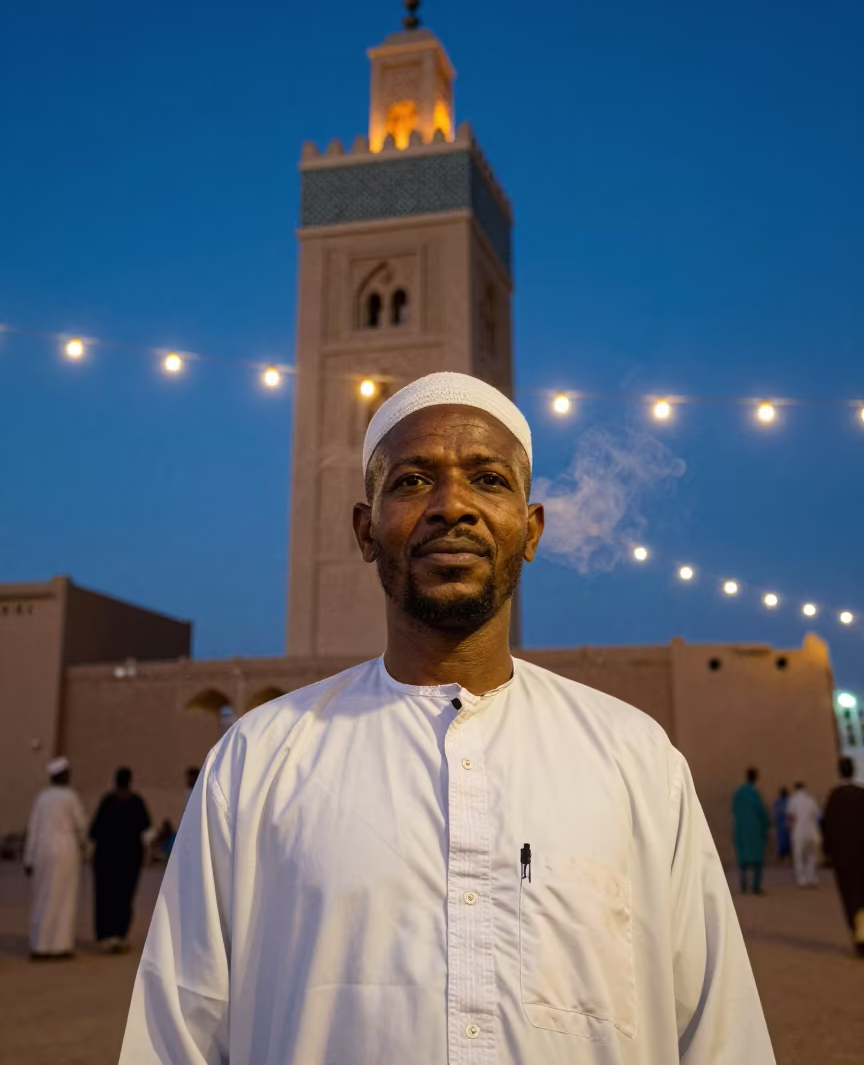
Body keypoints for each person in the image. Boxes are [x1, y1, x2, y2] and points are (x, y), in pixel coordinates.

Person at [120, 372, 775, 1063]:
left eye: (489, 480)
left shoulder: (634, 760)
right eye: (411, 482)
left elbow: (717, 1030)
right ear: (365, 530)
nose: (451, 506)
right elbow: (176, 1035)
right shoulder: (258, 760)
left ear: (531, 529)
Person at [23, 757, 87, 959]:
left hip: (43, 849)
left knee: (43, 896)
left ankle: (40, 946)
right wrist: (86, 844)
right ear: (62, 776)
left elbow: (33, 828)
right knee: (64, 897)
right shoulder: (70, 797)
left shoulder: (42, 798)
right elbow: (81, 825)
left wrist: (28, 858)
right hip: (66, 848)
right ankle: (60, 947)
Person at [89, 767, 151, 953]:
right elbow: (147, 832)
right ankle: (119, 936)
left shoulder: (108, 801)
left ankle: (106, 936)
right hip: (128, 861)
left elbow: (94, 832)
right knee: (124, 898)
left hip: (105, 860)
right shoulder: (136, 802)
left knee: (105, 897)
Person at [821, 756, 864, 956]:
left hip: (843, 858)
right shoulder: (861, 794)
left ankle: (858, 934)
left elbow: (826, 828)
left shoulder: (834, 798)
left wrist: (828, 851)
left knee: (850, 896)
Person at [732, 768, 771, 894]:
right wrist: (767, 824)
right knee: (757, 859)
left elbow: (734, 809)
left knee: (743, 858)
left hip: (741, 828)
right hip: (754, 829)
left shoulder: (739, 792)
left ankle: (743, 885)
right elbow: (761, 810)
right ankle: (756, 886)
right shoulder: (754, 793)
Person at [786, 780, 822, 888]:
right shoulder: (811, 799)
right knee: (812, 855)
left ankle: (801, 878)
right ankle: (811, 877)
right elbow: (818, 815)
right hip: (812, 832)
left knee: (799, 856)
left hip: (799, 832)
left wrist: (790, 829)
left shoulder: (793, 800)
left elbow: (790, 816)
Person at [772, 786, 791, 863]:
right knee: (789, 844)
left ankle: (781, 860)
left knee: (782, 844)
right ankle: (788, 860)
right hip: (788, 827)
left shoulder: (778, 803)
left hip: (781, 827)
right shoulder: (790, 802)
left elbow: (775, 814)